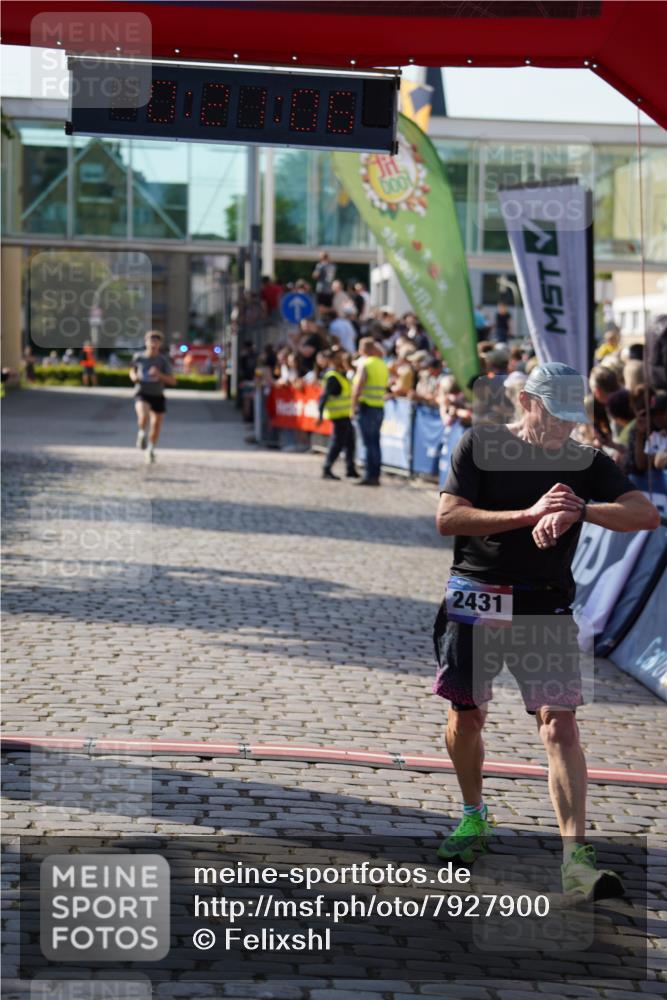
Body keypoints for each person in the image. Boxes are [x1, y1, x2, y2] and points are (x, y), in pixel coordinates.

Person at [433, 361, 659, 900]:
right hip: (477, 594)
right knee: (468, 718)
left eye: (570, 419)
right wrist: (528, 514)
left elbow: (645, 514)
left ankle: (575, 860)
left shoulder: (584, 459)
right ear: (526, 402)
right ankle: (473, 815)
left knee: (560, 727)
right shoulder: (479, 444)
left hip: (545, 606)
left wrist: (581, 509)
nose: (563, 428)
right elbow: (448, 518)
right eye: (553, 416)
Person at [129, 331, 176, 463]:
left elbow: (173, 381)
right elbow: (132, 369)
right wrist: (133, 376)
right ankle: (142, 433)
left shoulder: (163, 360)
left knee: (156, 425)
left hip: (158, 395)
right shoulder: (138, 357)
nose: (153, 344)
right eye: (151, 341)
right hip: (142, 393)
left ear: (160, 344)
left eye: (156, 341)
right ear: (146, 342)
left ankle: (150, 449)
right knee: (143, 416)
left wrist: (160, 375)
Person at [351, 337, 389, 487]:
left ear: (362, 350)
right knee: (375, 442)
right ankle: (376, 475)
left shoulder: (365, 364)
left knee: (367, 443)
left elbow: (357, 387)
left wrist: (352, 406)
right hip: (379, 406)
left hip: (366, 406)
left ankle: (368, 475)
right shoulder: (382, 364)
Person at [317, 349, 358, 481]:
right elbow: (324, 396)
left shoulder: (341, 375)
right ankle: (327, 468)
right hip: (338, 415)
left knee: (350, 442)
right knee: (337, 443)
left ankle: (350, 469)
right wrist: (320, 414)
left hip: (344, 414)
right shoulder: (333, 377)